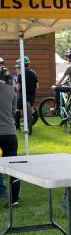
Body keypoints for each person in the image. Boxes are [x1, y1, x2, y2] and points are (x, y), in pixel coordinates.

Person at [0, 79, 20, 207]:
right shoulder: (10, 90)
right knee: (13, 168)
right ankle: (14, 200)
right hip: (9, 133)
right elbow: (13, 111)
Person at [51, 49, 71, 114]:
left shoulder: (69, 67)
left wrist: (56, 85)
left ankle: (57, 107)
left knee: (56, 88)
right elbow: (70, 78)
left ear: (69, 58)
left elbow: (62, 78)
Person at [14, 56, 38, 131]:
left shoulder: (20, 74)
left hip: (22, 96)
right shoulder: (34, 73)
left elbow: (18, 87)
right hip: (31, 96)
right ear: (28, 64)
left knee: (18, 109)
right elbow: (37, 86)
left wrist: (15, 89)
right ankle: (33, 121)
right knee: (31, 109)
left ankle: (17, 127)